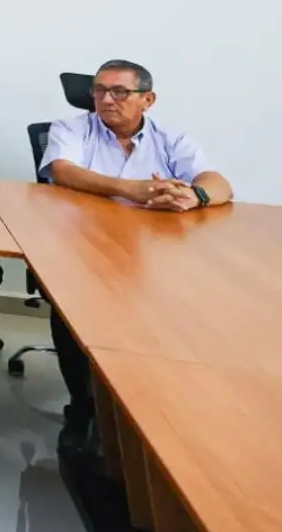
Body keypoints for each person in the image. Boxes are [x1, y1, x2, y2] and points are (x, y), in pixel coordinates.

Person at [39, 59, 233, 453]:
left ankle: (148, 405)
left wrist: (193, 196)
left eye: (119, 92)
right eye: (99, 90)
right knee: (69, 304)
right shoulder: (72, 129)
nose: (106, 99)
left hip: (154, 254)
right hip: (83, 247)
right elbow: (63, 171)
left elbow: (218, 183)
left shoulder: (171, 139)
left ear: (148, 99)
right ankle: (83, 407)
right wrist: (131, 189)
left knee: (173, 306)